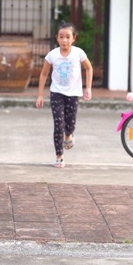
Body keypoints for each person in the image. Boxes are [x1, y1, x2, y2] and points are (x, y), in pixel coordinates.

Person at [35, 22, 93, 168]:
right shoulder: (52, 55)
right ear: (57, 38)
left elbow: (89, 68)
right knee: (58, 124)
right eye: (61, 37)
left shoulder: (78, 53)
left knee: (70, 123)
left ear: (74, 38)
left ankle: (69, 135)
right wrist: (40, 95)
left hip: (73, 94)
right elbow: (43, 74)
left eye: (68, 37)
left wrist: (88, 88)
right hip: (57, 93)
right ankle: (59, 156)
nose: (64, 40)